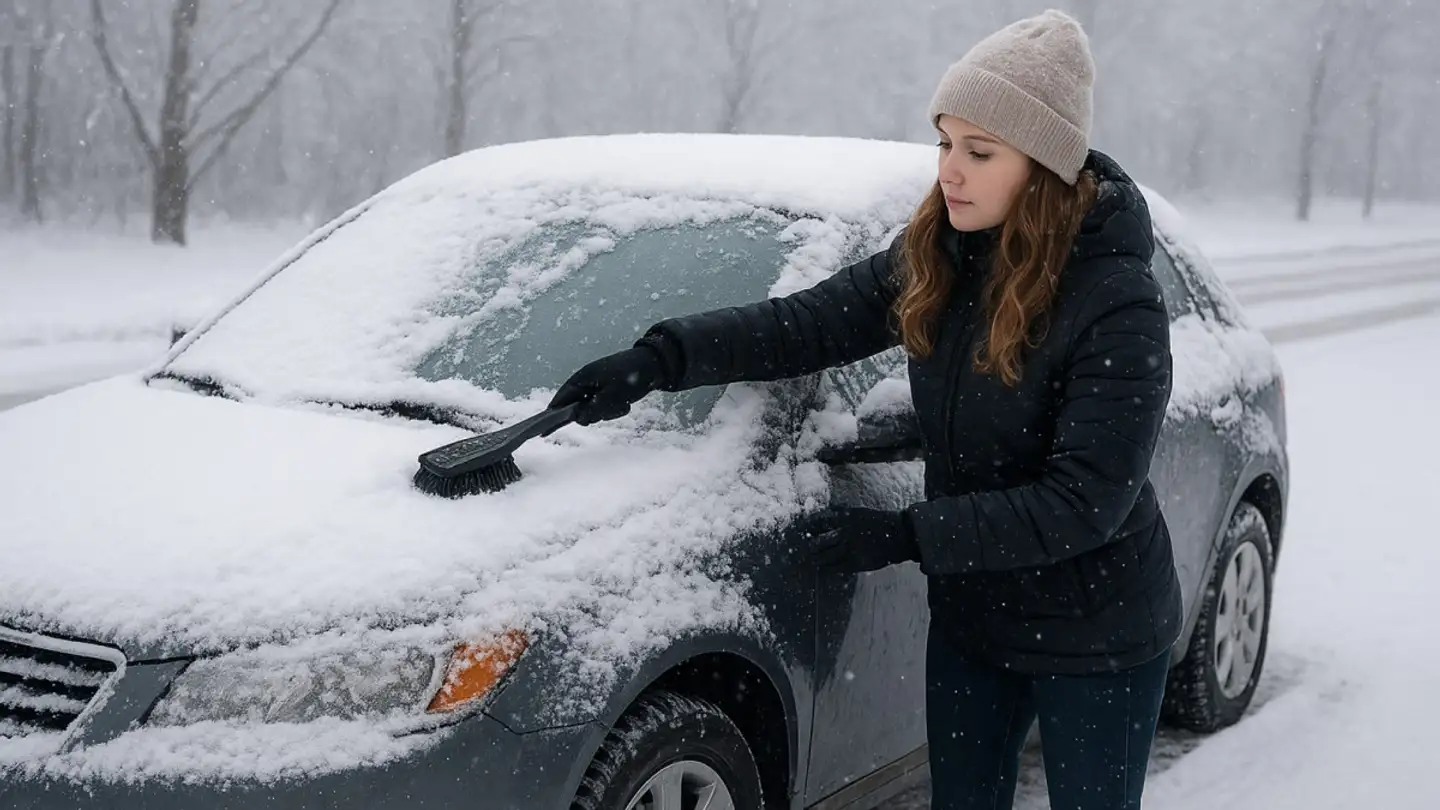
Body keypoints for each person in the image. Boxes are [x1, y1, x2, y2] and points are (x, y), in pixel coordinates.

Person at [549, 9, 1182, 810]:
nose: (950, 170)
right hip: (976, 620)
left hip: (1098, 631)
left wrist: (904, 535)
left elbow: (1084, 502)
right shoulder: (941, 255)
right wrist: (660, 359)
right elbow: (805, 324)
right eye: (946, 143)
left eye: (980, 152)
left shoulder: (1116, 301)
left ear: (1045, 167)